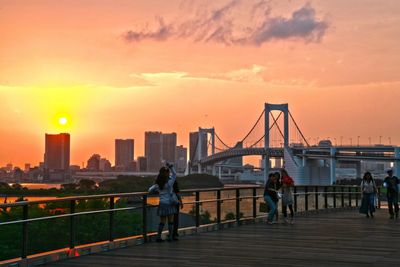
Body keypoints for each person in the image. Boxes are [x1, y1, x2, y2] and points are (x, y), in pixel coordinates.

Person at [148, 163, 177, 242]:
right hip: (170, 203)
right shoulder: (169, 183)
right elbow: (174, 175)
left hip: (162, 204)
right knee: (170, 221)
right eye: (168, 173)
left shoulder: (158, 184)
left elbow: (149, 190)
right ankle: (170, 237)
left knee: (162, 222)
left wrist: (156, 191)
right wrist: (171, 167)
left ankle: (158, 237)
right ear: (167, 174)